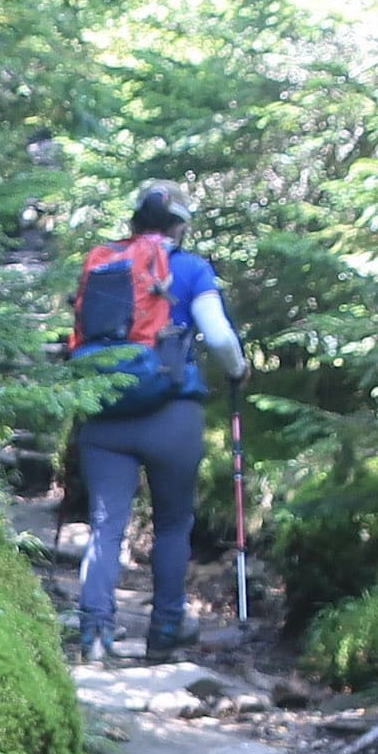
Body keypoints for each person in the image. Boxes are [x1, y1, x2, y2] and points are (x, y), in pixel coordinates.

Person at [75, 180, 248, 665]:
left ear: (135, 220)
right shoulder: (190, 268)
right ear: (181, 223)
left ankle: (94, 629)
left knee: (106, 524)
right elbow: (218, 336)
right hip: (172, 414)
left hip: (105, 411)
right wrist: (237, 371)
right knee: (173, 524)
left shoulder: (106, 264)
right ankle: (166, 627)